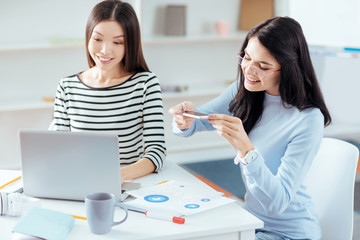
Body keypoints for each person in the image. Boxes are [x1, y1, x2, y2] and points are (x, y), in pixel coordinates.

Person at [169, 16, 331, 240]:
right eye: (246, 57)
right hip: (250, 221)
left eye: (263, 66)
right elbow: (197, 121)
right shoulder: (245, 90)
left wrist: (246, 150)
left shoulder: (308, 119)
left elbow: (278, 203)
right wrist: (184, 119)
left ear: (288, 69)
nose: (249, 70)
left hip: (289, 233)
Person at [53, 0, 166, 183]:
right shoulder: (67, 87)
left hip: (125, 184)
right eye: (97, 39)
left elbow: (157, 152)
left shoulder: (145, 83)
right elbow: (60, 150)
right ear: (88, 37)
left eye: (117, 42)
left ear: (130, 43)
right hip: (77, 181)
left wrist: (118, 176)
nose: (105, 50)